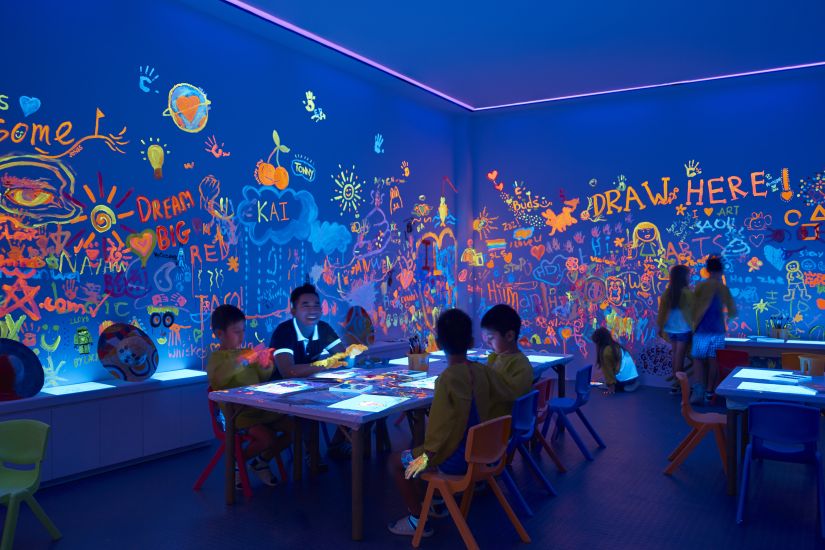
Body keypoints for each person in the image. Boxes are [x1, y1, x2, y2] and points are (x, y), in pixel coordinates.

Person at [388, 309, 499, 538]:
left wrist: (423, 458)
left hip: (455, 461)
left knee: (394, 462)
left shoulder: (447, 380)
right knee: (416, 453)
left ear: (437, 343)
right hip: (483, 455)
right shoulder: (482, 371)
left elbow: (436, 440)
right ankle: (435, 502)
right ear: (471, 341)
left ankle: (417, 519)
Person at [206, 305, 291, 488]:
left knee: (295, 429)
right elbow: (220, 378)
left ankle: (261, 461)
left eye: (243, 330)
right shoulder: (216, 359)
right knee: (267, 437)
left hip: (261, 409)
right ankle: (238, 464)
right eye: (236, 332)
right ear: (220, 334)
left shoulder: (245, 353)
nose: (241, 336)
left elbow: (262, 378)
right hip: (239, 416)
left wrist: (266, 364)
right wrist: (244, 360)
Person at [269, 284, 348, 379]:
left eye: (316, 305)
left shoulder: (324, 328)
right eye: (306, 306)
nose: (312, 310)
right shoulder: (283, 331)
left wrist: (352, 354)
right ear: (293, 311)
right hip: (281, 385)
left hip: (310, 383)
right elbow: (289, 372)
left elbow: (344, 357)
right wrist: (326, 363)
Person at [691, 256, 737, 403]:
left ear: (707, 270)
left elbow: (692, 306)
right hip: (717, 331)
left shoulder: (701, 286)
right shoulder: (723, 288)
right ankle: (710, 392)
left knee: (698, 360)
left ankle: (698, 391)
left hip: (702, 330)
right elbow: (732, 311)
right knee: (713, 361)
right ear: (721, 271)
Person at [480, 304, 534, 417]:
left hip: (500, 422)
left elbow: (509, 394)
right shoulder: (494, 357)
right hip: (490, 417)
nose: (487, 342)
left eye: (490, 338)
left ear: (509, 336)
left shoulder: (521, 365)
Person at [656, 264, 694, 395]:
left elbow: (662, 312)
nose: (690, 277)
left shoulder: (668, 292)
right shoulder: (687, 293)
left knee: (675, 355)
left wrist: (660, 327)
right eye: (688, 275)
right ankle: (677, 384)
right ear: (684, 277)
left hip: (670, 330)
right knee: (680, 356)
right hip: (683, 330)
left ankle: (675, 384)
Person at [591, 327, 639, 394]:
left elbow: (608, 370)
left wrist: (611, 387)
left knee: (610, 379)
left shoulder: (606, 351)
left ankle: (619, 386)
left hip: (625, 381)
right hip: (633, 379)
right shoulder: (615, 346)